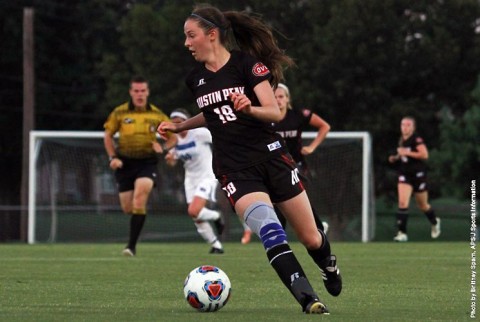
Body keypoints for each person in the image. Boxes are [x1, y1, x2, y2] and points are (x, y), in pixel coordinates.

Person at [157, 4, 341, 314]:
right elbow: (213, 113)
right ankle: (308, 299)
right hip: (235, 169)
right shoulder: (196, 79)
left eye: (191, 36)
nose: (186, 43)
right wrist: (180, 126)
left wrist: (249, 108)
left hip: (273, 159)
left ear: (212, 35)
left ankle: (329, 265)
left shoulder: (248, 65)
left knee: (311, 238)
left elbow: (274, 112)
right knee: (271, 230)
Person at [103, 76, 177, 256]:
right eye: (136, 91)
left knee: (139, 199)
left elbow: (174, 136)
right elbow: (107, 136)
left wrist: (164, 147)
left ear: (148, 92)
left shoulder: (157, 114)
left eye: (143, 91)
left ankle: (131, 247)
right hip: (125, 163)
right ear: (131, 92)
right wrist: (113, 157)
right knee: (128, 208)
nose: (139, 94)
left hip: (147, 163)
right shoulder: (120, 113)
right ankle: (135, 229)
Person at [164, 108, 225, 254]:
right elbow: (172, 161)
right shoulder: (174, 139)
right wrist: (170, 160)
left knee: (194, 210)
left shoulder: (199, 133)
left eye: (180, 122)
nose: (177, 126)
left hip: (207, 176)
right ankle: (216, 245)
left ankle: (217, 216)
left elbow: (219, 138)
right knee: (195, 217)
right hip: (190, 180)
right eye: (174, 123)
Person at [272, 83, 330, 233]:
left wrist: (312, 147)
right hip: (276, 166)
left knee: (299, 200)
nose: (278, 100)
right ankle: (280, 237)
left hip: (296, 165)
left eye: (281, 96)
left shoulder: (297, 115)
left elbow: (325, 126)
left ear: (287, 99)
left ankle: (318, 229)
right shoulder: (266, 118)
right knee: (277, 202)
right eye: (274, 97)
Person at [388, 116, 441, 242]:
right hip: (405, 174)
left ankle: (434, 222)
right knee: (402, 203)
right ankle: (402, 233)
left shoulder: (416, 140)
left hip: (418, 176)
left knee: (423, 205)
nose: (405, 127)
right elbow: (402, 153)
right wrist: (395, 158)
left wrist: (407, 153)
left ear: (413, 127)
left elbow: (424, 154)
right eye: (403, 125)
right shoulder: (402, 140)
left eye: (408, 125)